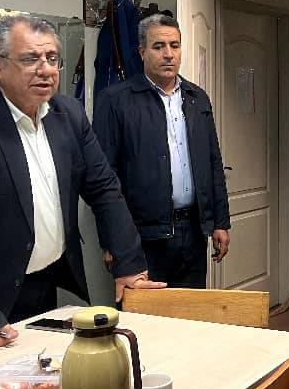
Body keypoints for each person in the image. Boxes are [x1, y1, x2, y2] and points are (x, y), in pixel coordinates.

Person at [0, 14, 164, 351]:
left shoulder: (68, 114)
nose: (46, 70)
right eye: (31, 59)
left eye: (52, 58)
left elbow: (104, 189)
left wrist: (129, 265)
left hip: (37, 286)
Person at [93, 14, 230, 287]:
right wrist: (111, 240)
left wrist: (220, 222)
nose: (168, 54)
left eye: (174, 45)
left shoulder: (197, 98)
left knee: (191, 310)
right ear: (142, 52)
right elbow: (104, 178)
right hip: (140, 237)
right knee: (143, 312)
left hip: (193, 232)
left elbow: (213, 162)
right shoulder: (116, 101)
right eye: (158, 46)